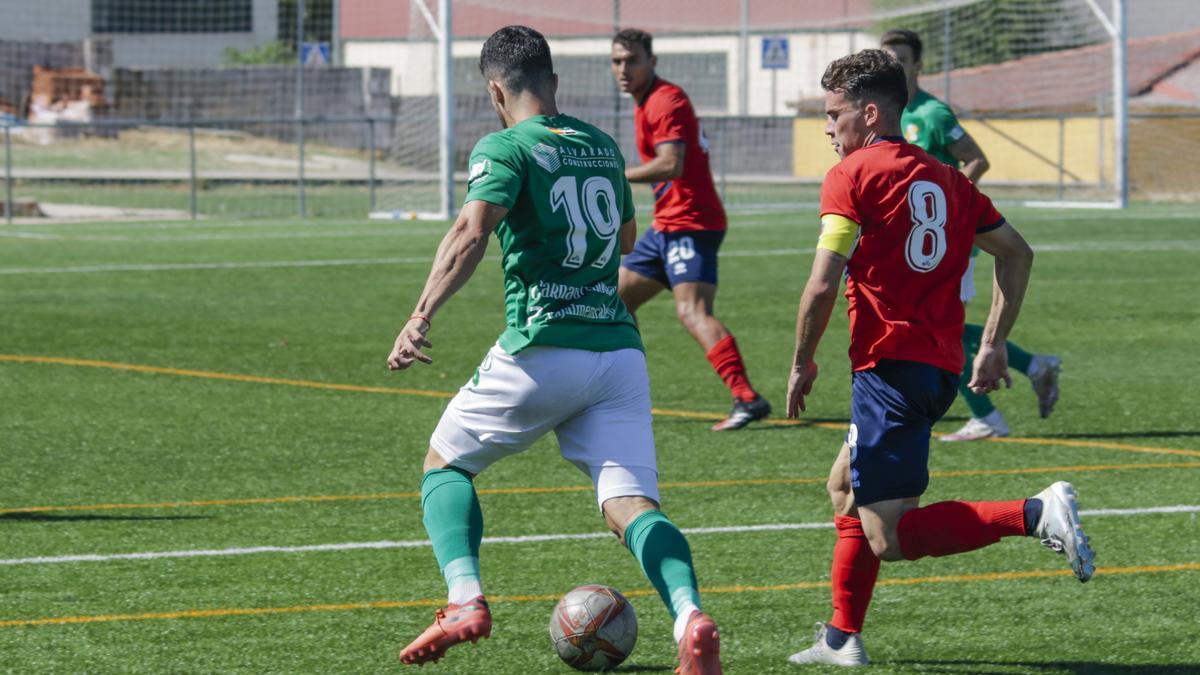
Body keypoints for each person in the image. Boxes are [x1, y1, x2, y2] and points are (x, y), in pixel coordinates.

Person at [386, 26, 721, 674]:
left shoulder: (505, 145)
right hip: (618, 353)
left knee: (444, 466)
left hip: (543, 346)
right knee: (632, 508)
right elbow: (626, 236)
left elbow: (470, 231)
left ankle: (463, 600)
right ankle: (689, 616)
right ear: (554, 82)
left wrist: (421, 312)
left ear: (494, 92)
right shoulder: (598, 144)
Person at [783, 49, 1095, 667]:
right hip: (936, 370)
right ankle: (842, 639)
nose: (826, 128)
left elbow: (822, 283)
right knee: (845, 488)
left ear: (869, 114)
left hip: (889, 371)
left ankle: (1034, 513)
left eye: (833, 114)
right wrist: (994, 341)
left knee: (890, 536)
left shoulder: (852, 176)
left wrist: (802, 361)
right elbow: (1016, 253)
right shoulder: (951, 181)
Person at [880, 28, 1062, 442]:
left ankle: (987, 416)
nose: (895, 67)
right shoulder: (889, 112)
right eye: (888, 59)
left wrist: (947, 205)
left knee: (939, 328)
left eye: (902, 60)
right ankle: (1035, 366)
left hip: (945, 239)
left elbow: (977, 159)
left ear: (918, 65)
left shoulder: (932, 114)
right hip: (918, 242)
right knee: (939, 325)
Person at [610, 28, 770, 431]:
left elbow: (671, 164)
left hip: (692, 222)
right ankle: (621, 393)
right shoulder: (645, 101)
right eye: (617, 61)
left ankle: (746, 398)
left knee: (692, 311)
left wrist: (613, 174)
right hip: (666, 226)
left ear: (652, 62)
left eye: (632, 60)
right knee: (613, 301)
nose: (623, 69)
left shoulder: (666, 100)